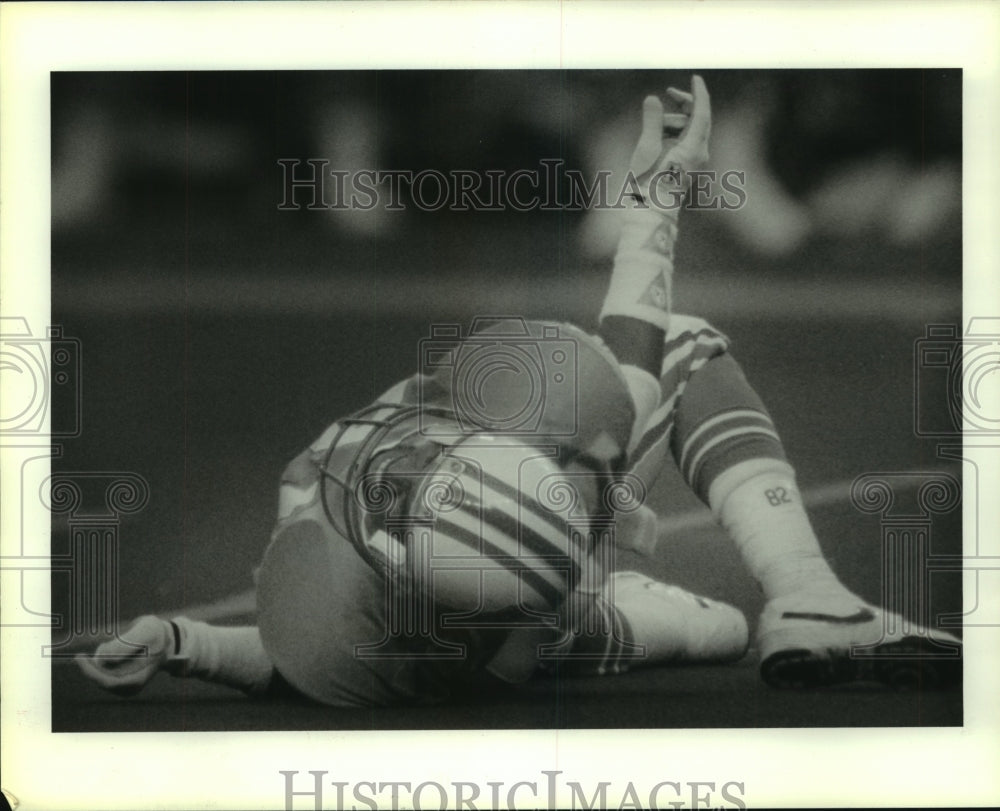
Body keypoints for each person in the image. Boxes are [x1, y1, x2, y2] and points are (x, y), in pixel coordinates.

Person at [77, 76, 961, 707]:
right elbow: (325, 652)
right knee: (710, 630)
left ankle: (804, 597)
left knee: (710, 626)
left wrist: (184, 642)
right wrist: (655, 197)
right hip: (526, 623)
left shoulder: (331, 515)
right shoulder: (494, 617)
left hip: (505, 593)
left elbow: (295, 652)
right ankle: (804, 588)